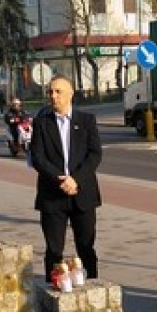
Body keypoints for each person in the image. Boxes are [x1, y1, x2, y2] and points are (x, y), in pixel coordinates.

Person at [29, 76, 103, 281]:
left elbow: (95, 154)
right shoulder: (42, 123)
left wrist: (75, 180)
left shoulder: (87, 121)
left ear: (71, 93)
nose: (53, 96)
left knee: (86, 247)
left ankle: (91, 287)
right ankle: (52, 295)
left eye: (58, 91)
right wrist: (59, 179)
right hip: (53, 195)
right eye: (50, 92)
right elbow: (37, 157)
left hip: (83, 193)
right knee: (54, 250)